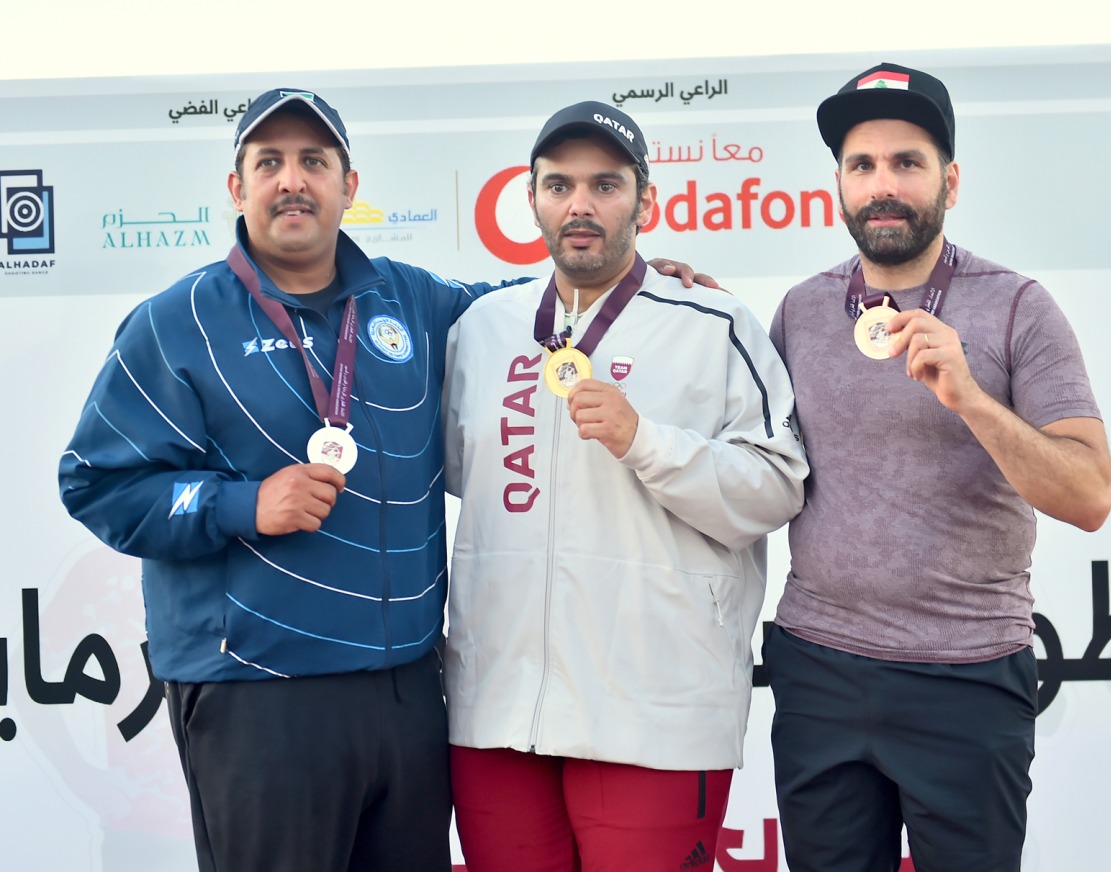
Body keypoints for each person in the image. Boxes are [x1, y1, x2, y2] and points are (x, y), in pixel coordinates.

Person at [58, 87, 702, 872]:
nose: (293, 180)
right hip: (261, 691)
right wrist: (241, 504)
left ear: (348, 186)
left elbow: (529, 312)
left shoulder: (410, 300)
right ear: (237, 188)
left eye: (314, 162)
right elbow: (97, 482)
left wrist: (635, 280)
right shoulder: (177, 320)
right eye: (270, 163)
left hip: (405, 692)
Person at [441, 101, 810, 872]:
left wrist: (647, 443)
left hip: (654, 715)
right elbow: (450, 468)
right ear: (532, 199)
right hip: (497, 712)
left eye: (606, 185)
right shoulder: (481, 327)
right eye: (559, 185)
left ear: (646, 202)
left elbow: (778, 488)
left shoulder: (715, 324)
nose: (581, 204)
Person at [765, 63, 1111, 872]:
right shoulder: (801, 310)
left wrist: (973, 401)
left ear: (949, 181)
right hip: (819, 669)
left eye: (907, 163)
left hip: (967, 675)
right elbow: (748, 449)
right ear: (838, 190)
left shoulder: (1018, 306)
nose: (883, 185)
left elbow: (1091, 494)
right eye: (863, 166)